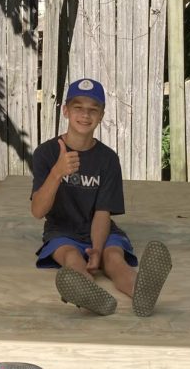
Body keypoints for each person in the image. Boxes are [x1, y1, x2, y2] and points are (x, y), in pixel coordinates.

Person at [30, 78, 172, 317]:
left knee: (114, 260)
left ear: (101, 115)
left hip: (102, 230)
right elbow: (37, 211)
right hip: (61, 231)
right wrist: (57, 172)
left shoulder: (107, 158)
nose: (85, 115)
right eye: (78, 107)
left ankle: (142, 294)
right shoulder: (46, 153)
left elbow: (103, 211)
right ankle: (93, 298)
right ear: (65, 110)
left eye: (93, 110)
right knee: (72, 258)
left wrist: (96, 248)